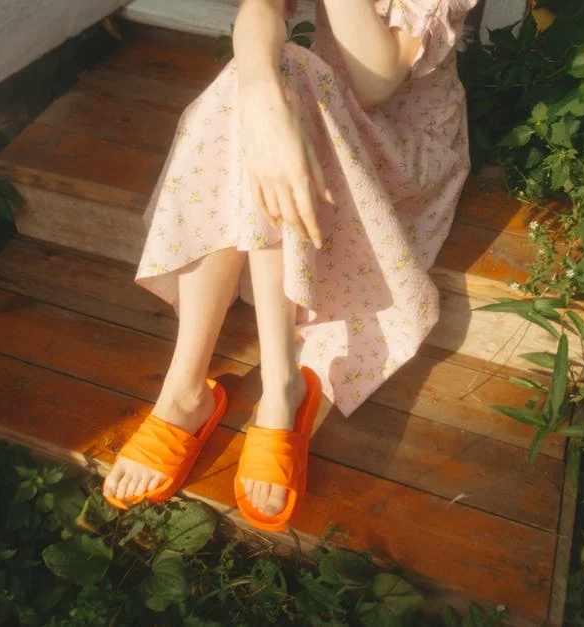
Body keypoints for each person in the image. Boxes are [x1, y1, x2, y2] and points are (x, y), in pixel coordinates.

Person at [103, 0, 476, 531]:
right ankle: (187, 389)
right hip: (311, 116)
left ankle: (274, 389)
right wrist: (261, 100)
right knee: (254, 82)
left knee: (285, 76)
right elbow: (261, 11)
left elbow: (376, 82)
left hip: (401, 149)